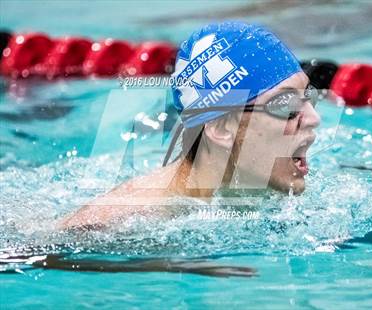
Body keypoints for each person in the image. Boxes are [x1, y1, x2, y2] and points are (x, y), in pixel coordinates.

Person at [61, 21, 320, 230]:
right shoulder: (123, 224)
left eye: (308, 96)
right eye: (287, 106)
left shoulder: (256, 187)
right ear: (220, 128)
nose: (313, 118)